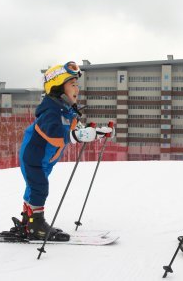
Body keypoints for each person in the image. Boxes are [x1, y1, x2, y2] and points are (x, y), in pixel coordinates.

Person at [15, 61, 113, 241]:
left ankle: (28, 221)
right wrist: (79, 135)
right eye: (73, 84)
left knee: (34, 188)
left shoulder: (66, 111)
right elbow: (54, 134)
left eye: (77, 84)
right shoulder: (50, 111)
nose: (77, 89)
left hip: (45, 159)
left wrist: (96, 133)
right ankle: (36, 225)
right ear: (58, 86)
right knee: (39, 188)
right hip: (33, 158)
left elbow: (76, 131)